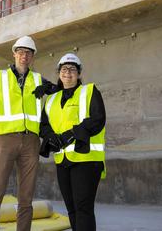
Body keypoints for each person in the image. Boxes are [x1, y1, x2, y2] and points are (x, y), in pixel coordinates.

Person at [0, 35, 56, 231]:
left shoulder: (37, 79)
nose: (24, 56)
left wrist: (51, 87)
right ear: (14, 53)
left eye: (29, 53)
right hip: (4, 140)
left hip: (31, 142)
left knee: (26, 198)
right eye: (21, 52)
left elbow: (60, 92)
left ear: (33, 57)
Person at [38, 53, 106, 231]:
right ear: (59, 73)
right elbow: (43, 125)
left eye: (72, 69)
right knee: (72, 209)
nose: (68, 73)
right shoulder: (51, 100)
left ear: (79, 73)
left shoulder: (90, 91)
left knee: (83, 208)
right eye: (64, 69)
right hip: (63, 161)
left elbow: (98, 119)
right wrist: (49, 136)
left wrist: (71, 134)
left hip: (86, 160)